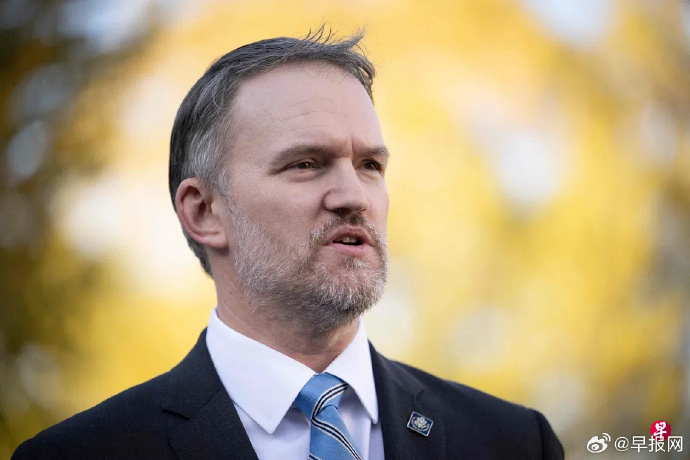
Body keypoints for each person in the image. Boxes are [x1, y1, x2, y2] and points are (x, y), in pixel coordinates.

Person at [13, 28, 564, 459]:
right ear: (204, 212)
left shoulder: (514, 442)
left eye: (370, 165)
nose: (354, 196)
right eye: (306, 164)